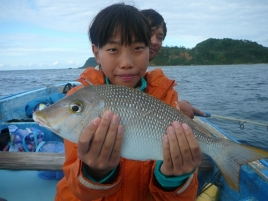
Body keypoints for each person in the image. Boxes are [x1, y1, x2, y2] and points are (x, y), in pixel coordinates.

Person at [55, 3, 201, 201]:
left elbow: (184, 195)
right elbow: (76, 187)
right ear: (96, 52)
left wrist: (173, 177)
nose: (126, 62)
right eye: (113, 49)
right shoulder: (81, 99)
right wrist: (94, 173)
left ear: (150, 50)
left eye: (138, 48)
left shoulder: (166, 95)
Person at [140, 9, 206, 119]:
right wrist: (175, 108)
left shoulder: (153, 82)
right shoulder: (117, 75)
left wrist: (175, 106)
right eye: (149, 34)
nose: (155, 41)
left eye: (159, 38)